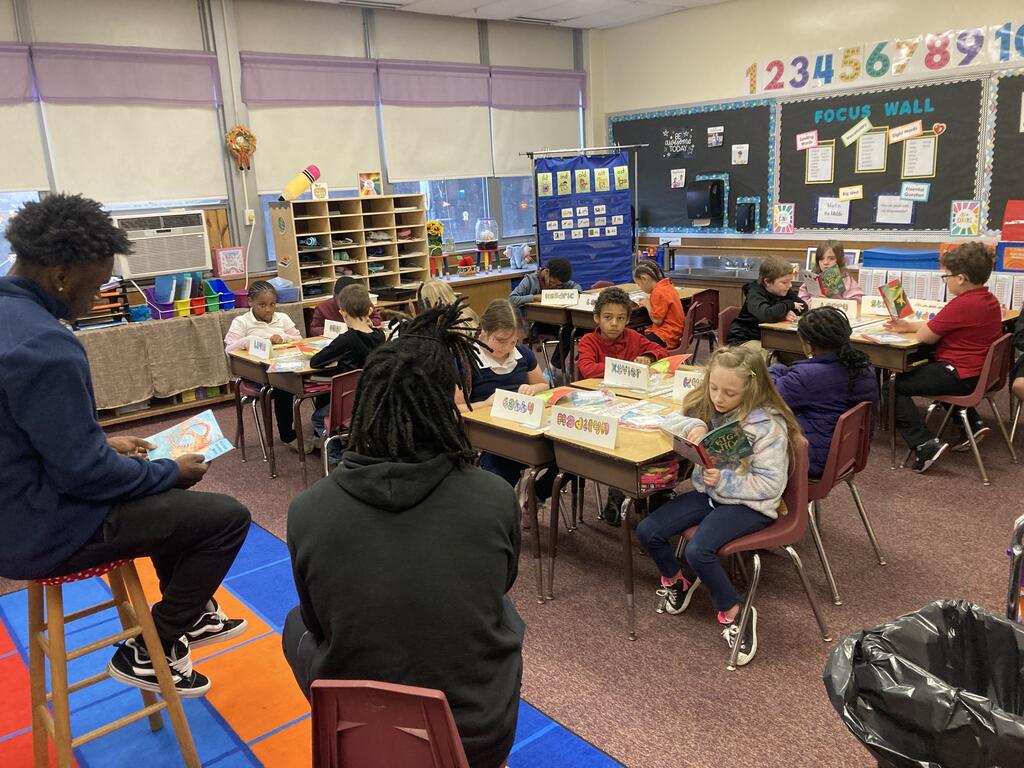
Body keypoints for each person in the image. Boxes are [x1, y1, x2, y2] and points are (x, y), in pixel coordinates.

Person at [0, 193, 250, 698]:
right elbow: (85, 476)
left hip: (14, 511)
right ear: (62, 275)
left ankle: (193, 614)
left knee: (158, 491)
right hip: (41, 532)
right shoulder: (46, 344)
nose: (97, 298)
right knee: (225, 517)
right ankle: (153, 648)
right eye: (97, 286)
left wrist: (101, 442)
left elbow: (26, 432)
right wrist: (170, 472)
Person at [283, 303, 524, 768]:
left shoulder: (308, 509)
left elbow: (318, 621)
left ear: (366, 403)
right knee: (501, 612)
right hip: (478, 736)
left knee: (296, 623)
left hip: (362, 732)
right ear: (446, 408)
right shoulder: (494, 496)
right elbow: (501, 583)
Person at [635, 346, 801, 666]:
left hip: (751, 505)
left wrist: (724, 480)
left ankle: (736, 611)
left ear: (751, 388)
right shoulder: (712, 406)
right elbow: (669, 421)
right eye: (713, 388)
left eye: (729, 392)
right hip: (712, 495)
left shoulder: (768, 426)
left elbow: (771, 485)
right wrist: (694, 428)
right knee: (648, 530)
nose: (718, 398)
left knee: (699, 550)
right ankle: (679, 580)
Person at [884, 242, 1002, 473]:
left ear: (961, 278)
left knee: (893, 385)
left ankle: (924, 444)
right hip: (978, 374)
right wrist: (909, 325)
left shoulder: (962, 304)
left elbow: (925, 336)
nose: (945, 280)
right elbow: (940, 325)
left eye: (946, 276)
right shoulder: (988, 300)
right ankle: (972, 424)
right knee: (932, 368)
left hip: (960, 375)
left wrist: (915, 329)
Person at [454, 299, 555, 515]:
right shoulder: (467, 360)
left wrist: (531, 389)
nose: (507, 347)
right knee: (501, 473)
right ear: (484, 331)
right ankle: (504, 511)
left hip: (526, 430)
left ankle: (536, 493)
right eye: (501, 340)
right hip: (492, 439)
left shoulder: (522, 354)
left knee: (570, 458)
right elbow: (455, 409)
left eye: (513, 341)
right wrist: (485, 404)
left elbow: (544, 385)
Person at [769, 307, 877, 477]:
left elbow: (769, 394)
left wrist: (775, 369)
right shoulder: (864, 367)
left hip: (814, 460)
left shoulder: (807, 377)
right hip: (850, 454)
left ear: (808, 344)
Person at [224, 281, 306, 452]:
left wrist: (283, 337)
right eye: (262, 305)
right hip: (257, 374)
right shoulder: (242, 322)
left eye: (272, 304)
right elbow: (229, 349)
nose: (268, 310)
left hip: (284, 366)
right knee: (283, 387)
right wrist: (248, 341)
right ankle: (288, 435)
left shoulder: (282, 318)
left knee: (315, 381)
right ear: (250, 302)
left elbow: (299, 339)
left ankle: (322, 431)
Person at [309, 284, 386, 457]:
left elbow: (316, 361)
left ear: (343, 313)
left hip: (349, 405)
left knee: (318, 418)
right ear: (370, 310)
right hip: (375, 399)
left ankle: (336, 456)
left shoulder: (346, 339)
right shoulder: (380, 336)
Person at [576, 286, 668, 379]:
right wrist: (629, 368)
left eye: (620, 318)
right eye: (608, 317)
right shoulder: (589, 341)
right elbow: (587, 369)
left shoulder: (633, 336)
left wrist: (648, 357)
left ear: (627, 320)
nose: (614, 323)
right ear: (597, 318)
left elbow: (662, 351)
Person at [508, 258, 580, 369]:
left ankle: (553, 366)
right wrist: (533, 298)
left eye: (558, 285)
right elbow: (511, 299)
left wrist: (576, 293)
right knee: (566, 331)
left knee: (571, 330)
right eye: (552, 282)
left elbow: (577, 287)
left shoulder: (561, 280)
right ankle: (552, 369)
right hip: (537, 324)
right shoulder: (530, 280)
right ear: (546, 272)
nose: (554, 286)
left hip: (557, 321)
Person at [727, 256, 806, 350]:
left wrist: (783, 312)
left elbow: (804, 308)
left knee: (796, 350)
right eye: (785, 282)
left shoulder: (783, 290)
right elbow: (767, 315)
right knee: (773, 356)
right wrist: (789, 305)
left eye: (790, 281)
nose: (790, 285)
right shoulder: (754, 294)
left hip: (769, 338)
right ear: (767, 281)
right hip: (744, 339)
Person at [633, 260, 684, 349]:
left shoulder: (658, 292)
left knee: (634, 344)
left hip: (666, 336)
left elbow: (657, 320)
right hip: (675, 333)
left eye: (639, 284)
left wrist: (647, 304)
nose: (640, 288)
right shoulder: (667, 285)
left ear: (644, 279)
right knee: (637, 337)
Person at [309, 276, 383, 336]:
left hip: (360, 335)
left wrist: (366, 323)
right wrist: (332, 331)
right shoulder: (323, 307)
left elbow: (377, 318)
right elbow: (314, 329)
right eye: (341, 299)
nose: (345, 303)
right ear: (335, 295)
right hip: (334, 339)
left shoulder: (362, 301)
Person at [798, 240, 865, 303]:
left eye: (831, 259)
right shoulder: (813, 279)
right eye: (821, 259)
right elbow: (801, 302)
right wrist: (814, 301)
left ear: (840, 260)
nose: (825, 262)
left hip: (836, 310)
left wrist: (831, 302)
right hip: (815, 310)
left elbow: (857, 301)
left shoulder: (846, 280)